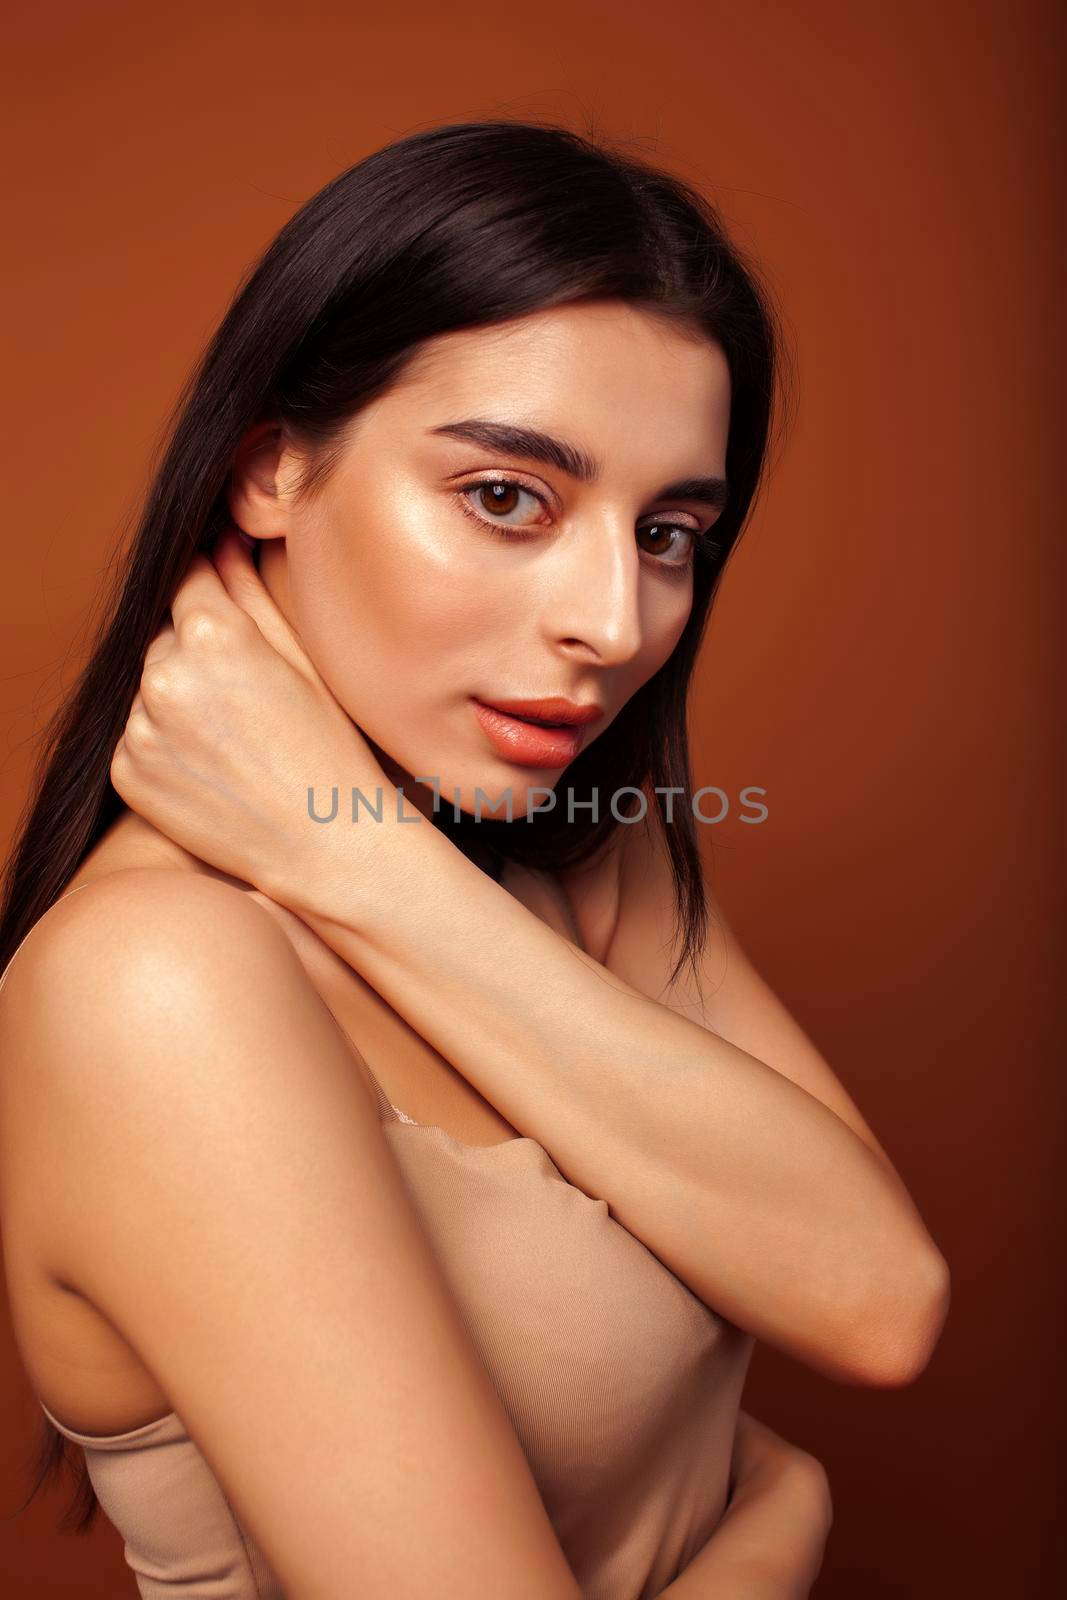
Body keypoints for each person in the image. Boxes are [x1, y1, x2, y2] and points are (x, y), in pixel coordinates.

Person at [0, 119, 947, 1598]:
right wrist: (778, 1533)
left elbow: (884, 1302)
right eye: (508, 497)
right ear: (270, 471)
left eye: (671, 532)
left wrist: (367, 869)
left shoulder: (575, 861)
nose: (614, 623)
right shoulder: (151, 988)